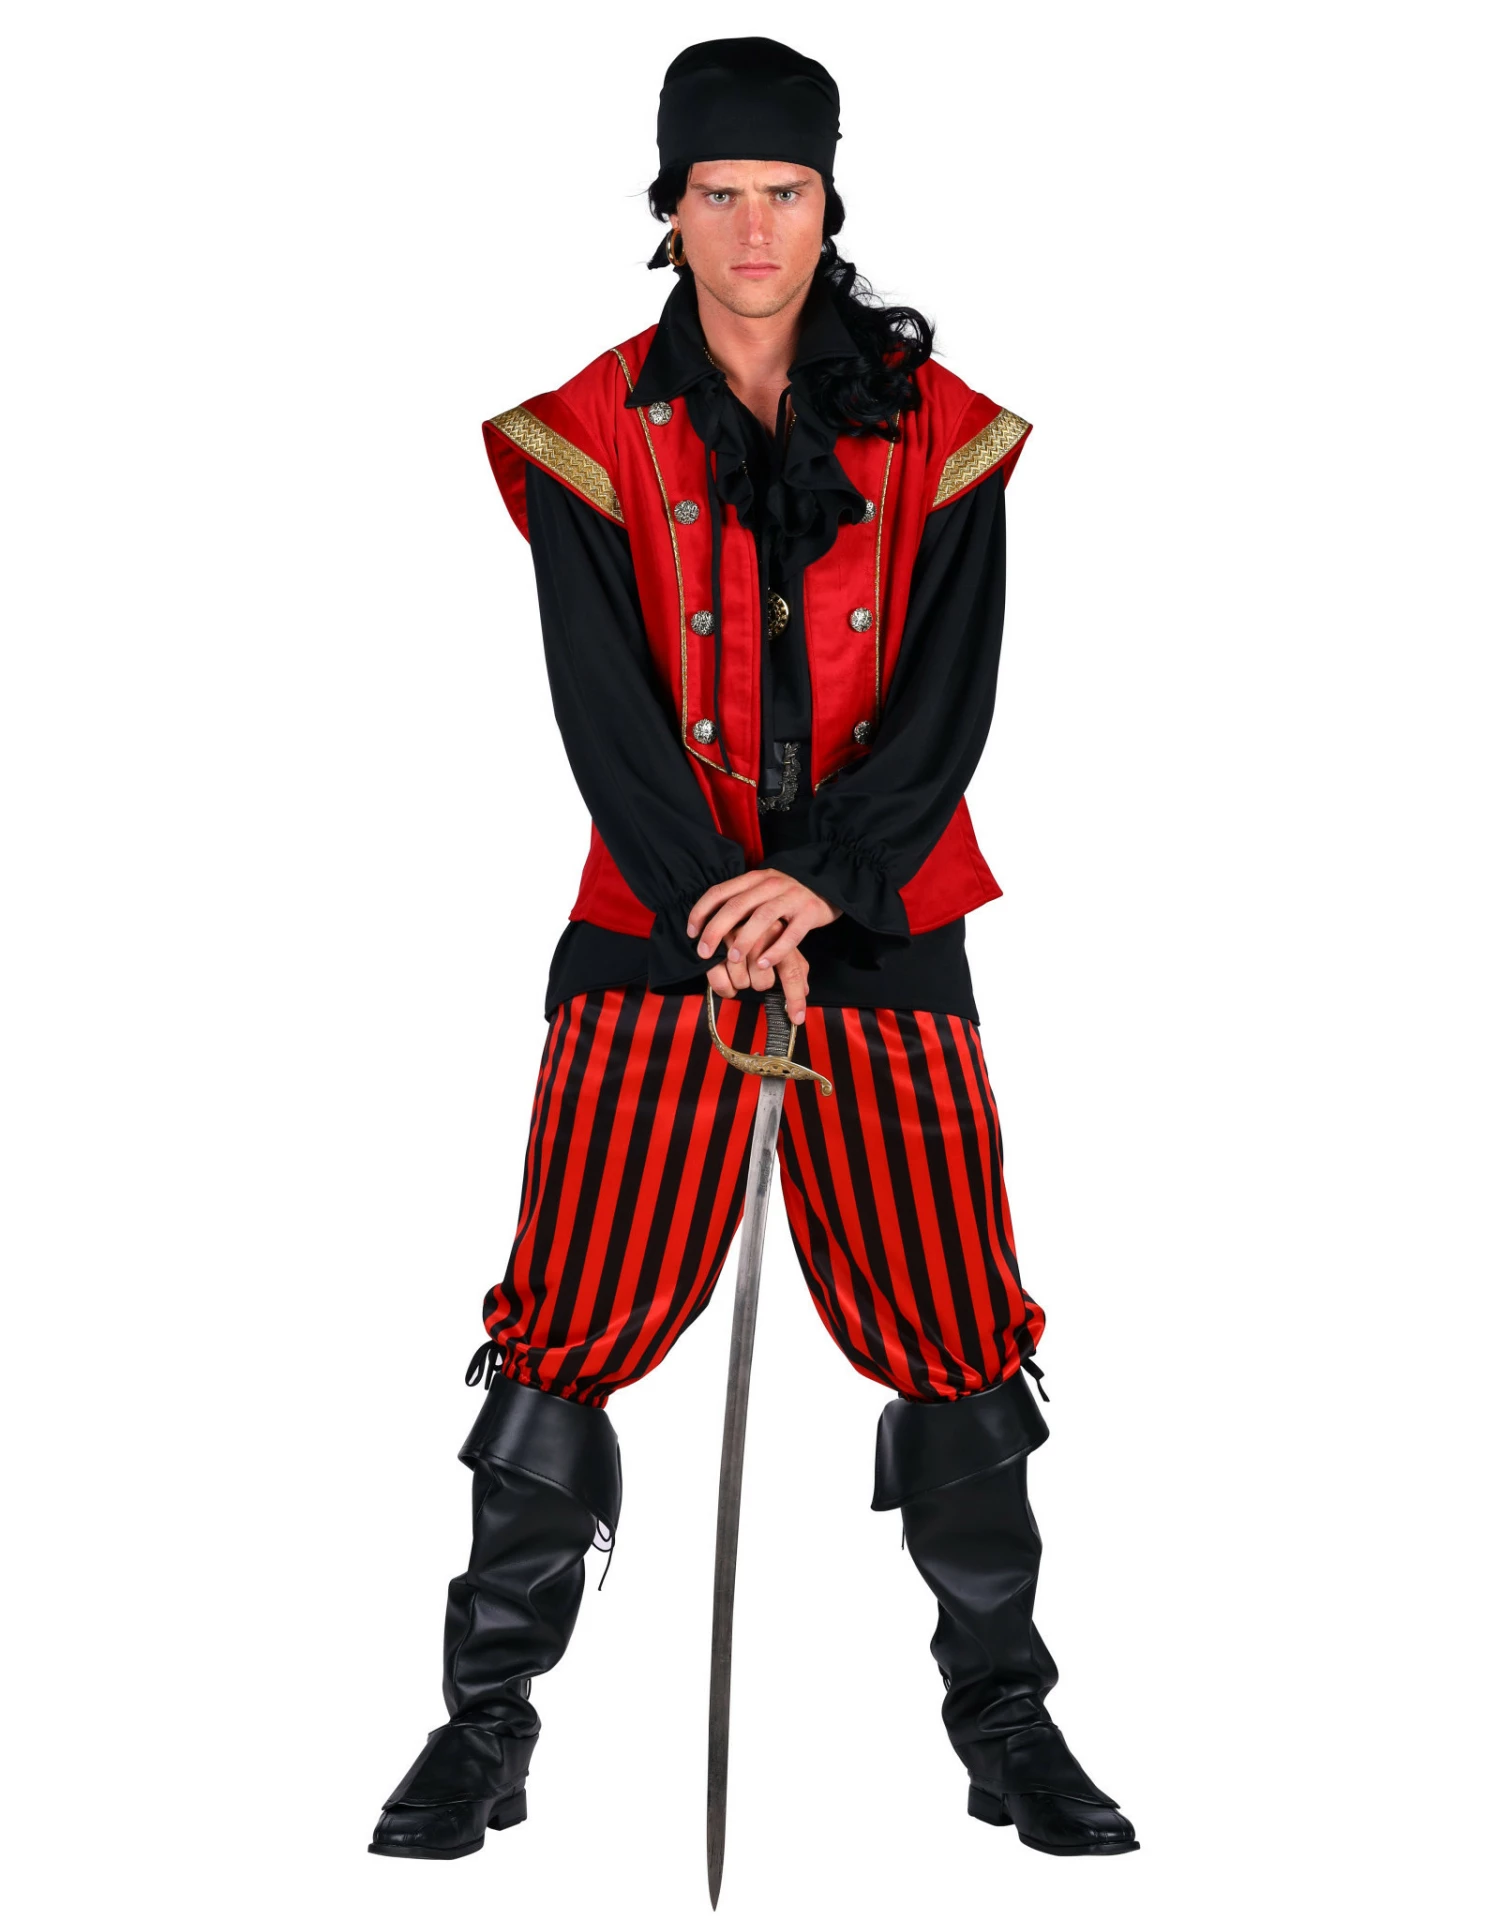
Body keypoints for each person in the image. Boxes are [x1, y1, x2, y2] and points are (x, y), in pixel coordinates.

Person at [369, 35, 1137, 1866]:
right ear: (670, 207)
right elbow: (603, 708)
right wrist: (720, 903)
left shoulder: (941, 429)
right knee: (565, 1314)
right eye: (718, 193)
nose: (753, 227)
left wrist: (827, 886)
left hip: (882, 921)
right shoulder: (585, 428)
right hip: (659, 919)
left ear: (829, 200)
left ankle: (1007, 1722)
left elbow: (949, 697)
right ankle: (483, 1727)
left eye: (784, 191)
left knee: (955, 1321)